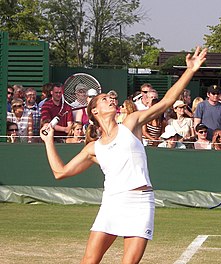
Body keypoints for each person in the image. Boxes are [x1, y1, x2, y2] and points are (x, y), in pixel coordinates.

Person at [40, 46, 207, 264]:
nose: (110, 98)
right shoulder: (93, 148)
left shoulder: (130, 123)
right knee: (89, 261)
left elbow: (166, 102)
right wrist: (48, 141)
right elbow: (59, 172)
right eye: (103, 99)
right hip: (112, 203)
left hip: (141, 202)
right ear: (95, 112)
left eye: (110, 97)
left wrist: (190, 70)